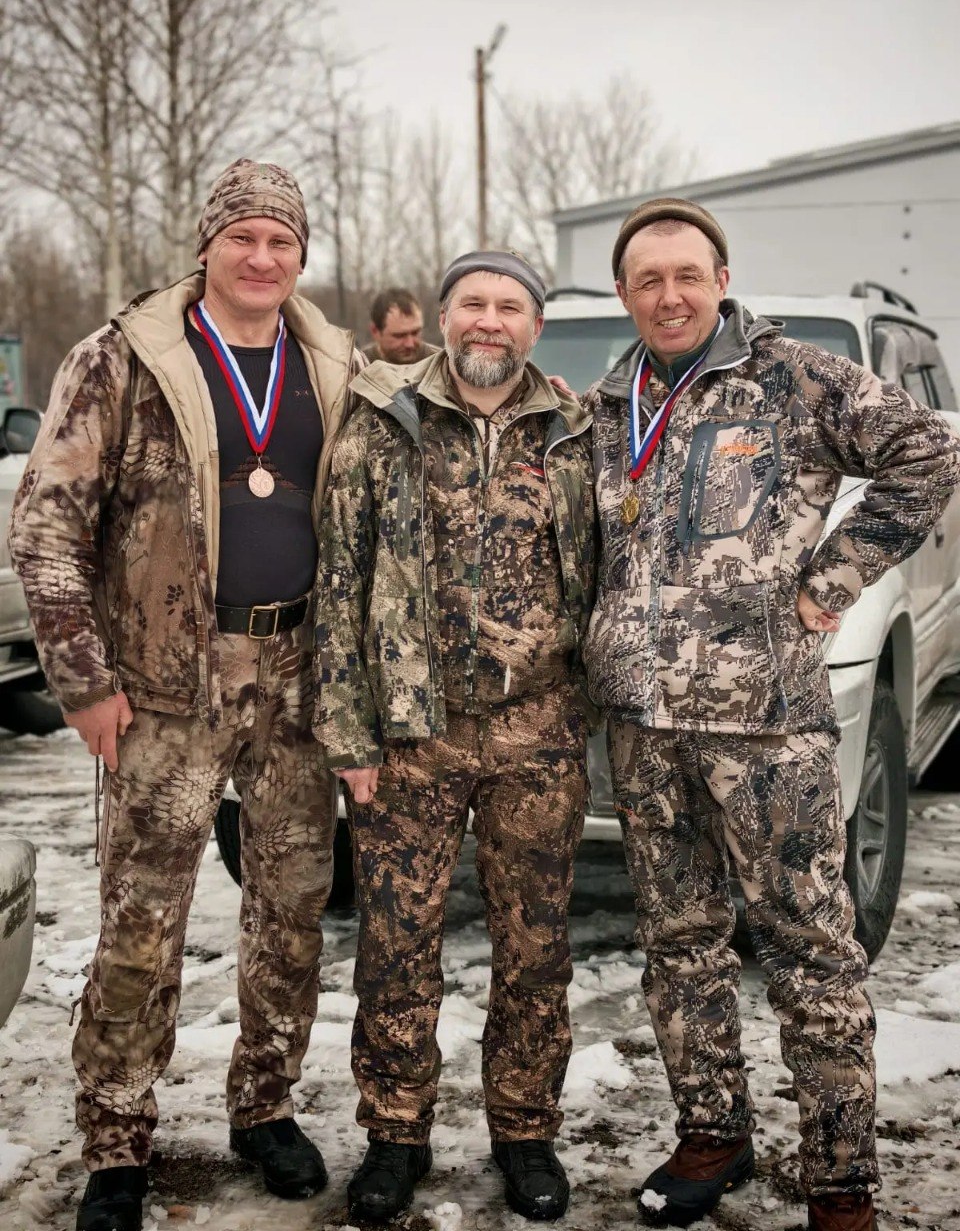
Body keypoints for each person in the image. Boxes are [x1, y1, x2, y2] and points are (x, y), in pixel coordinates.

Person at [583, 197, 960, 1231]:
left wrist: (829, 581)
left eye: (687, 275)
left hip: (767, 727)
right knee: (680, 943)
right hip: (644, 728)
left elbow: (927, 453)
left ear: (721, 280)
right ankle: (713, 1131)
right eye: (648, 279)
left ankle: (840, 1180)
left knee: (809, 952)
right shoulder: (609, 401)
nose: (669, 295)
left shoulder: (794, 378)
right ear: (624, 293)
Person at [9, 159, 360, 1231]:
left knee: (291, 909)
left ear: (301, 256)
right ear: (206, 245)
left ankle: (266, 1105)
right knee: (141, 918)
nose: (262, 257)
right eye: (242, 236)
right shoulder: (121, 359)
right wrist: (82, 682)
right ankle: (118, 1137)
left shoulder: (332, 360)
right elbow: (47, 528)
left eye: (282, 241)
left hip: (296, 677)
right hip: (164, 684)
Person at [313, 251, 596, 1223]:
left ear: (534, 326)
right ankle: (395, 1133)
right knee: (395, 945)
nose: (489, 319)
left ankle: (525, 1130)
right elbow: (340, 577)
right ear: (442, 317)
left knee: (535, 946)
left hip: (538, 737)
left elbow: (605, 567)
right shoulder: (383, 418)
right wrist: (349, 731)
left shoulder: (574, 429)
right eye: (472, 302)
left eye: (509, 305)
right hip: (410, 739)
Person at [363, 286, 440, 364]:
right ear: (375, 331)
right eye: (399, 336)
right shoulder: (359, 366)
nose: (410, 344)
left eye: (415, 333)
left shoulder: (441, 364)